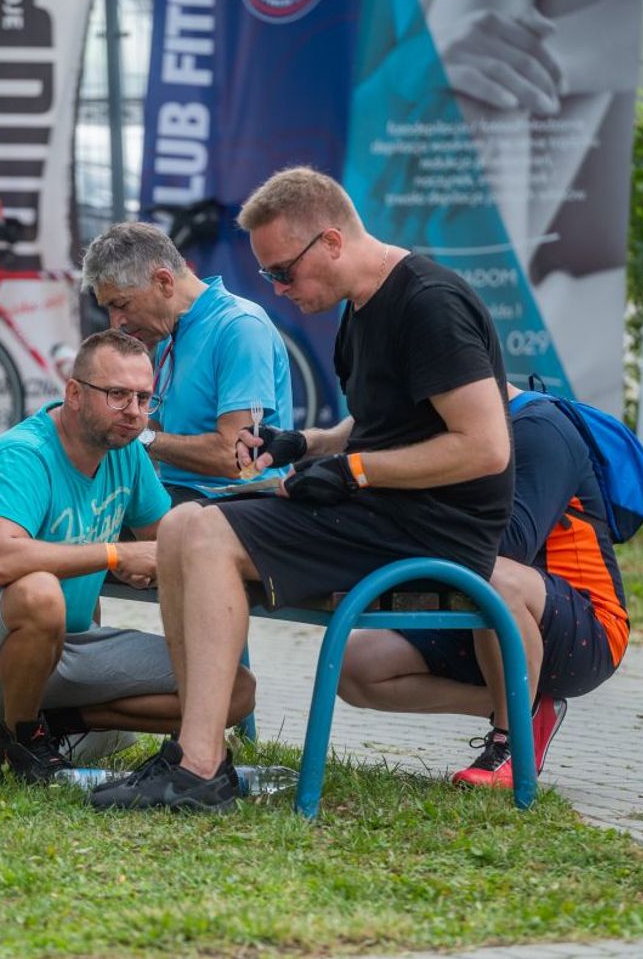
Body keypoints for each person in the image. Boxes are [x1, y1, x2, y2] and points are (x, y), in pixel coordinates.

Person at [91, 166, 513, 813]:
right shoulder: (361, 309)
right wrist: (307, 443)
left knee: (202, 531)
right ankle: (197, 754)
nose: (280, 289)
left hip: (433, 529)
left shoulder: (429, 303)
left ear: (332, 242)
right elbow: (376, 426)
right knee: (181, 526)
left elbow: (485, 446)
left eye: (284, 272)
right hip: (384, 512)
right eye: (268, 276)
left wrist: (356, 472)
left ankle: (200, 766)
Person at [0, 330, 256, 783]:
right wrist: (117, 555)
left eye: (144, 398)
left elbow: (169, 540)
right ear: (74, 393)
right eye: (118, 395)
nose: (134, 412)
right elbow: (1, 559)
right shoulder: (23, 454)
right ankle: (23, 743)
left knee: (234, 689)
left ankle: (61, 726)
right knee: (39, 593)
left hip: (69, 645)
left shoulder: (127, 454)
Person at [337, 382, 629, 787]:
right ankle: (528, 710)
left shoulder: (543, 430)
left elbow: (511, 545)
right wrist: (304, 448)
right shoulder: (444, 426)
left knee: (492, 576)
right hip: (482, 614)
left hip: (588, 628)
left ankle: (510, 746)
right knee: (354, 666)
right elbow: (351, 438)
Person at [80, 221, 293, 503]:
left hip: (237, 499)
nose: (115, 322)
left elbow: (233, 457)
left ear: (164, 282)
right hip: (180, 494)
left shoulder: (241, 327)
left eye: (121, 305)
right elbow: (154, 430)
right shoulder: (169, 332)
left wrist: (139, 437)